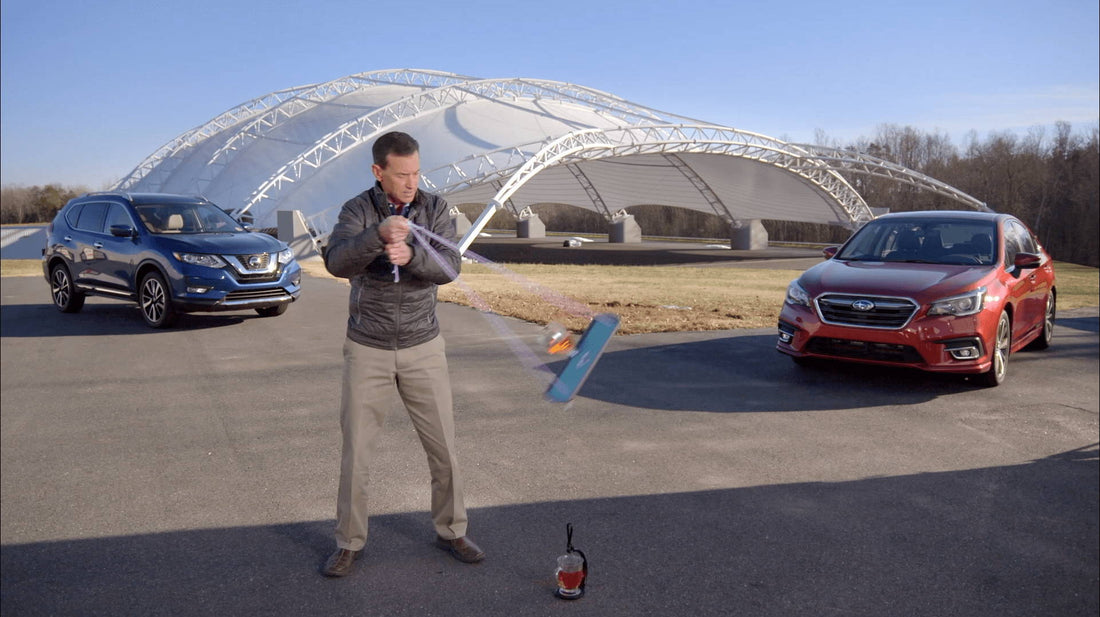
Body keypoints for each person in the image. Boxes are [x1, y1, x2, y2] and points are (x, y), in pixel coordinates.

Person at [320, 131, 484, 577]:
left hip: (422, 346)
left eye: (416, 173)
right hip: (367, 346)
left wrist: (411, 254)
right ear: (379, 172)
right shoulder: (358, 210)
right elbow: (336, 261)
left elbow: (450, 267)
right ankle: (349, 542)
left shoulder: (435, 209)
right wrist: (377, 236)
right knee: (357, 452)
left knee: (444, 449)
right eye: (401, 174)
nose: (411, 183)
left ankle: (452, 530)